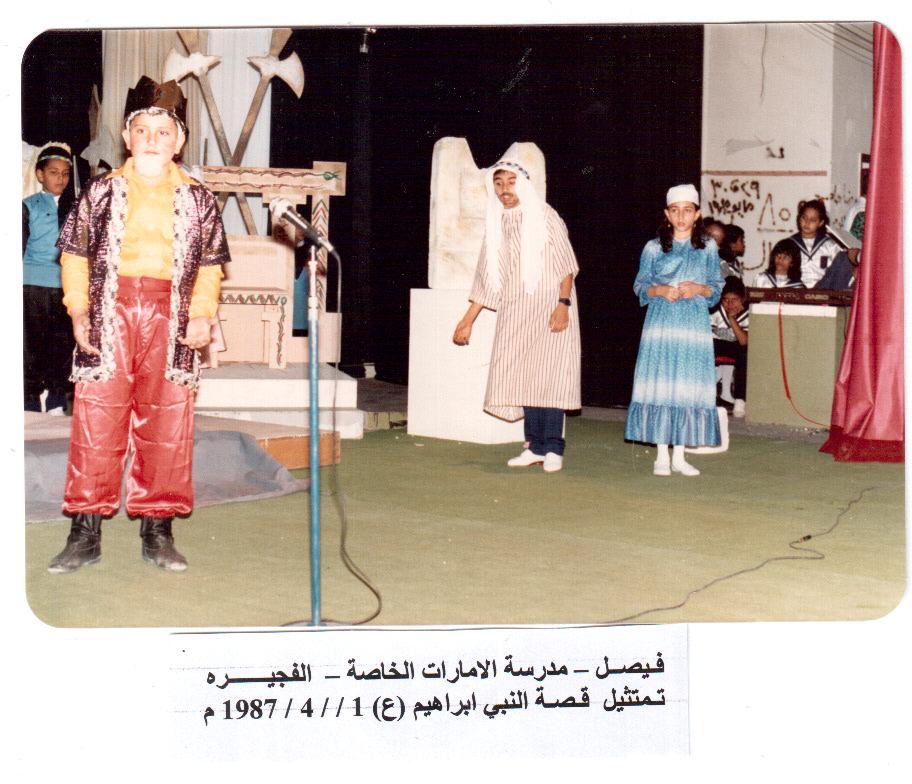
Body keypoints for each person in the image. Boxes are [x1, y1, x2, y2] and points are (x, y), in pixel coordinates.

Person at [47, 76, 230, 574]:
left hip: (173, 319)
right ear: (128, 137)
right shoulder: (101, 191)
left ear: (179, 141)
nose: (152, 140)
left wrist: (202, 314)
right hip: (109, 314)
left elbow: (210, 267)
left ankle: (158, 530)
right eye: (143, 131)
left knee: (168, 422)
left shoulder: (198, 198)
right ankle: (84, 532)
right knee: (97, 420)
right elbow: (75, 256)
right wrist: (78, 309)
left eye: (163, 132)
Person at [452, 147, 581, 473]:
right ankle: (534, 446)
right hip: (516, 310)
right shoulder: (497, 222)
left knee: (549, 377)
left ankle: (553, 448)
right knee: (524, 376)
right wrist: (467, 320)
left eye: (510, 182)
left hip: (550, 306)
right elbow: (486, 277)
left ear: (522, 184)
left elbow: (566, 265)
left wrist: (563, 304)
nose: (504, 189)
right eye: (498, 184)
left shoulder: (545, 215)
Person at [625, 184, 724, 476]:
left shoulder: (708, 247)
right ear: (667, 214)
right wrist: (659, 290)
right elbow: (640, 285)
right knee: (662, 382)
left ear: (697, 214)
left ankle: (679, 455)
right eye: (675, 211)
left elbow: (716, 287)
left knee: (686, 384)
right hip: (662, 324)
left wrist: (699, 288)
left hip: (693, 327)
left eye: (687, 211)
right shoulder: (653, 247)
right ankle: (661, 455)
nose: (681, 217)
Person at [22, 143, 76, 414]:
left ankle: (56, 398)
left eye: (65, 174)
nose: (60, 179)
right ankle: (30, 398)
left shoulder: (75, 208)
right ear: (40, 174)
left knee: (62, 344)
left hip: (66, 286)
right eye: (54, 172)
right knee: (31, 346)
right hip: (33, 286)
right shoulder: (28, 206)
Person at [711, 276, 749, 417]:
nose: (729, 304)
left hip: (736, 347)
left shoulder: (748, 312)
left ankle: (740, 399)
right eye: (726, 300)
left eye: (734, 300)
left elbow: (743, 341)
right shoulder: (715, 310)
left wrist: (732, 318)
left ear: (742, 299)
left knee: (745, 352)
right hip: (715, 345)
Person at [788, 199, 844, 287]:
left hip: (823, 290)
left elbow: (838, 272)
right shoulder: (789, 244)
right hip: (796, 290)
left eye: (813, 220)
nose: (807, 223)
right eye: (804, 218)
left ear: (821, 223)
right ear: (799, 218)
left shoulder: (830, 246)